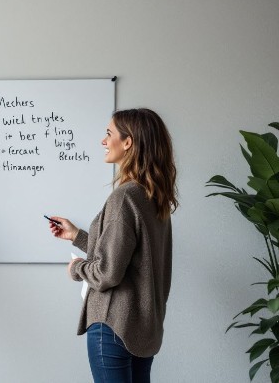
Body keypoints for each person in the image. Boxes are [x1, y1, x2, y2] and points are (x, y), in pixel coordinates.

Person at [47, 108, 177, 383]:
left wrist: (76, 269)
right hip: (142, 328)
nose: (103, 141)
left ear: (128, 142)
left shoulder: (124, 197)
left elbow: (107, 273)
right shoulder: (153, 197)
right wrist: (78, 236)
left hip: (113, 326)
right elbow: (131, 255)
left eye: (109, 134)